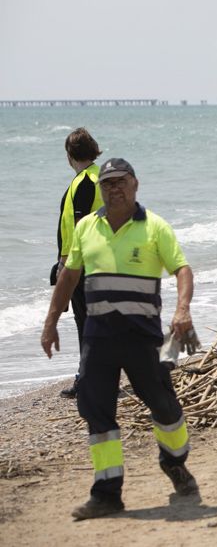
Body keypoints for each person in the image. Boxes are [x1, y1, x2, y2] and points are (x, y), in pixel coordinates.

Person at [41, 158, 200, 520]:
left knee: (165, 408)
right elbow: (68, 276)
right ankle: (107, 494)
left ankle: (175, 464)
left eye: (121, 181)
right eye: (108, 183)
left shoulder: (155, 228)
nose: (115, 188)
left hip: (143, 338)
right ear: (101, 189)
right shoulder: (86, 228)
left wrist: (182, 310)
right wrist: (51, 321)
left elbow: (182, 269)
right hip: (98, 340)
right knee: (97, 413)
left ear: (135, 184)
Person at [55, 128, 104, 398]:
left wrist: (65, 265)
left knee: (85, 322)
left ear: (70, 155)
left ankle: (88, 379)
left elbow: (78, 225)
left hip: (83, 263)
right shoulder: (101, 177)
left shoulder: (84, 182)